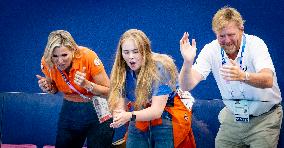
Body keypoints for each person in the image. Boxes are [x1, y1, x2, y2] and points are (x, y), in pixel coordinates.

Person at [179, 6, 283, 148]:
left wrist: (243, 76)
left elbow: (268, 80)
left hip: (264, 118)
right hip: (233, 118)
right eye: (222, 36)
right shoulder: (211, 50)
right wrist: (187, 62)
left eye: (231, 34)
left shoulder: (256, 44)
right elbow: (186, 86)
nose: (227, 41)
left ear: (241, 29)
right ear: (216, 34)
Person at [108, 29, 196, 148]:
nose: (131, 57)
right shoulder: (121, 70)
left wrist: (128, 116)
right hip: (139, 111)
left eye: (135, 51)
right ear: (121, 53)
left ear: (145, 51)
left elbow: (156, 111)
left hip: (166, 113)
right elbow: (120, 102)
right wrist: (119, 115)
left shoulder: (161, 67)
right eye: (126, 52)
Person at [36, 30, 113, 148]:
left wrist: (87, 84)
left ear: (73, 50)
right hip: (70, 109)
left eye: (64, 55)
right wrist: (48, 88)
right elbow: (54, 89)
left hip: (98, 109)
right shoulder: (47, 62)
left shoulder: (88, 56)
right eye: (55, 56)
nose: (60, 61)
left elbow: (109, 91)